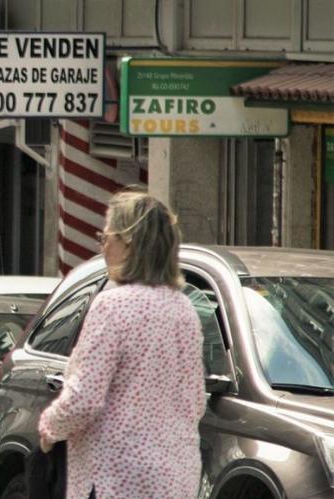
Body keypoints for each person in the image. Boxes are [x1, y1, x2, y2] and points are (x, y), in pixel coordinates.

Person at [37, 190, 206, 499]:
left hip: (115, 476)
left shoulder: (112, 306)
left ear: (128, 242)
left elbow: (84, 398)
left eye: (106, 236)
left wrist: (49, 427)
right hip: (175, 477)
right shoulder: (185, 310)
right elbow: (194, 400)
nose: (102, 245)